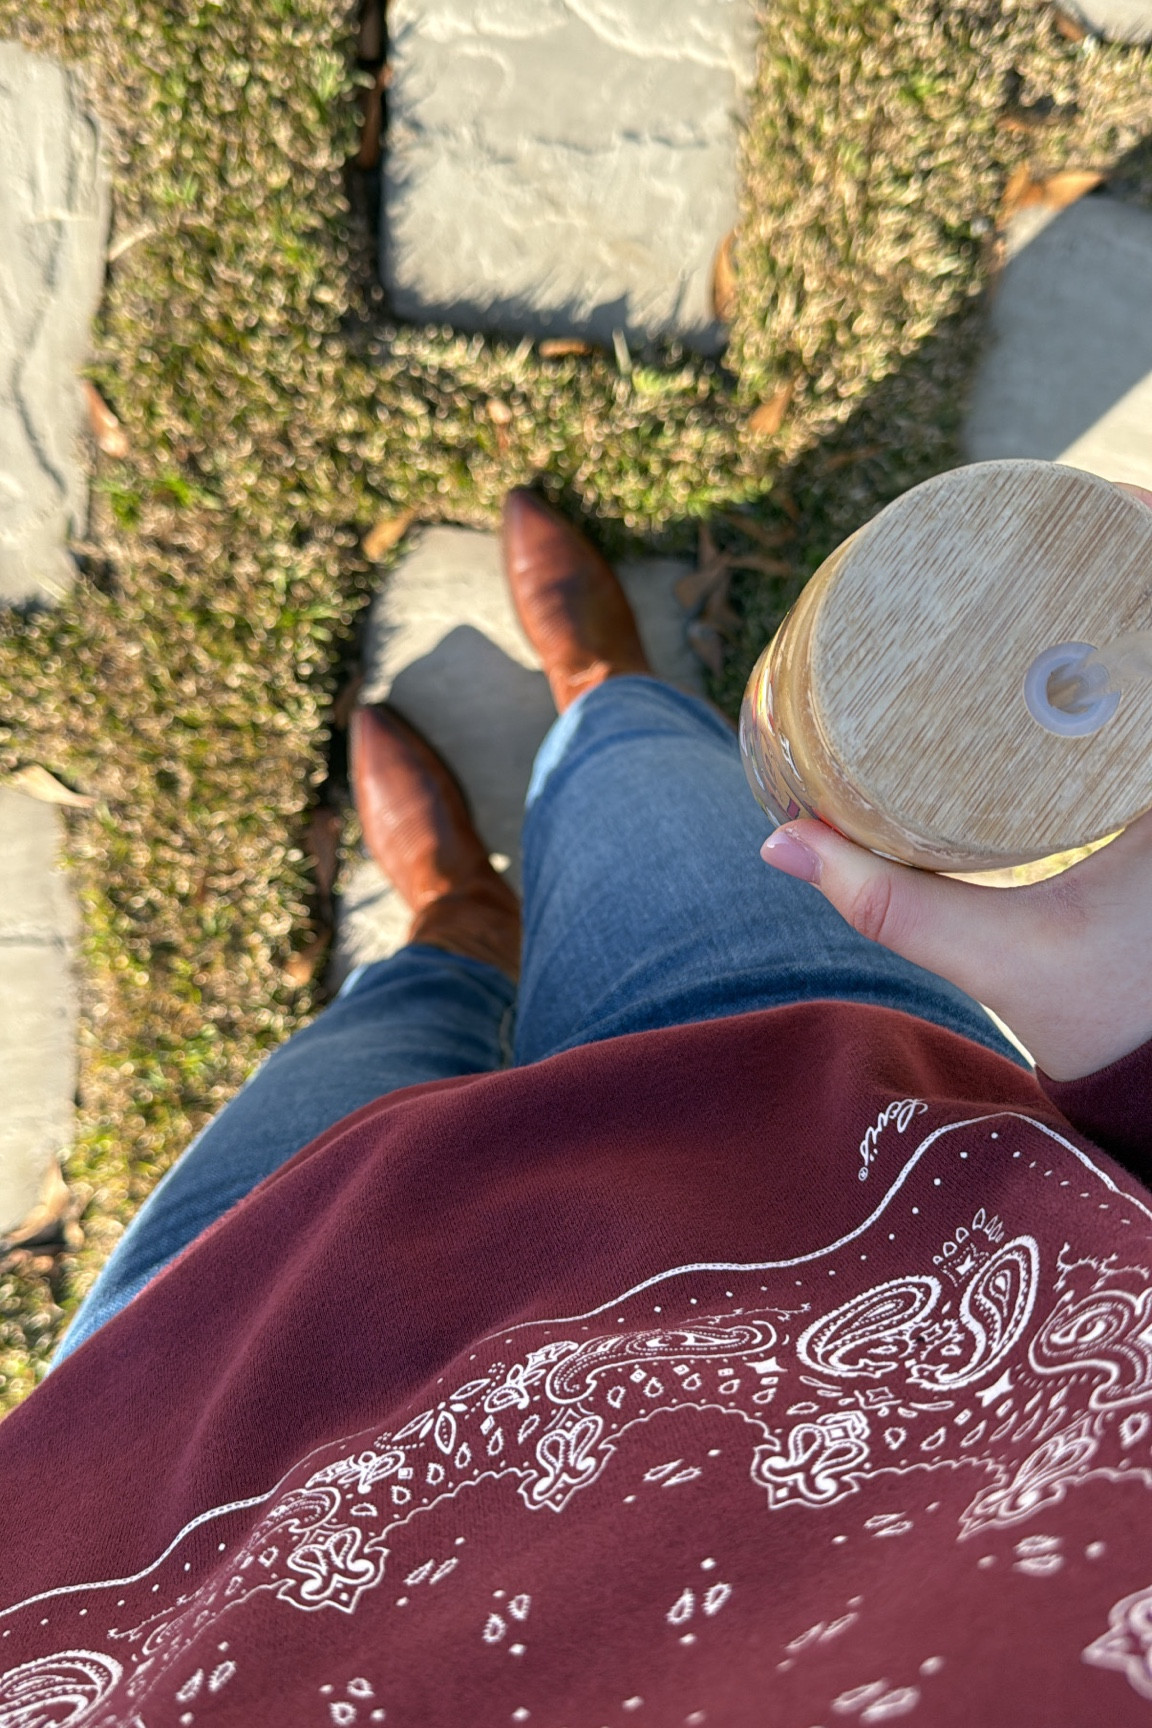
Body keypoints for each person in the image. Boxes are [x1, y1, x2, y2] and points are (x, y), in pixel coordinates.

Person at [0, 486, 1150, 1727]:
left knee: (382, 1024)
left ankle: (454, 927)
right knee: (641, 787)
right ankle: (597, 692)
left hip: (195, 1404)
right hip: (821, 1162)